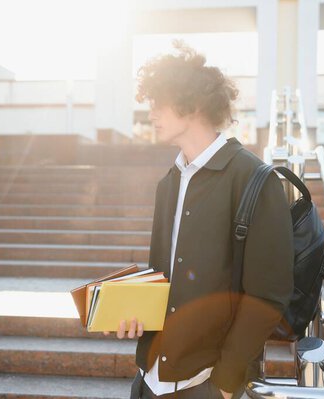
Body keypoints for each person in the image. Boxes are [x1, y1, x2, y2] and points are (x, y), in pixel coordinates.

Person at [104, 40, 294, 399]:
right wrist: (135, 315)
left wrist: (224, 382)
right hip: (148, 381)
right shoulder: (169, 182)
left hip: (206, 385)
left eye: (158, 103)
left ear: (189, 104)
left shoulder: (255, 180)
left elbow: (269, 294)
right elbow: (162, 278)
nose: (151, 114)